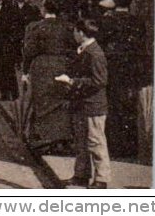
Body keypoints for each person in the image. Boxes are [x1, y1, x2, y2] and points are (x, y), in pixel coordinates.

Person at [97, 0, 151, 159]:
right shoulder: (138, 22)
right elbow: (143, 46)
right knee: (130, 106)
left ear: (115, 3)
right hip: (131, 68)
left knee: (113, 106)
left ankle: (114, 146)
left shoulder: (108, 22)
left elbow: (101, 44)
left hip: (113, 68)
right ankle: (130, 147)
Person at [60, 17, 111, 189]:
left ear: (81, 33)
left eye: (75, 31)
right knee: (81, 142)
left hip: (93, 106)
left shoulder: (95, 54)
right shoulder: (83, 50)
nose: (73, 34)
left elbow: (99, 81)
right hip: (81, 104)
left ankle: (102, 179)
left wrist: (73, 82)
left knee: (96, 142)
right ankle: (81, 175)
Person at [21, 0, 75, 153]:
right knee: (60, 100)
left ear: (43, 9)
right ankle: (62, 138)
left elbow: (29, 51)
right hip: (63, 65)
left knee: (42, 100)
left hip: (42, 67)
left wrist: (25, 72)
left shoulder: (35, 27)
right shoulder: (67, 27)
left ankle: (44, 138)